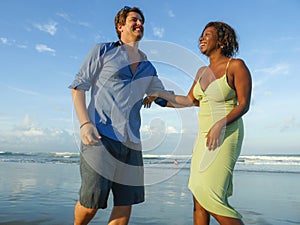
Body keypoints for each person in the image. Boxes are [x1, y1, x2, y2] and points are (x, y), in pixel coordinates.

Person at [144, 21, 252, 225]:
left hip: (225, 135)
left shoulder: (236, 66)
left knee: (212, 198)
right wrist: (159, 95)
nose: (201, 38)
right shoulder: (202, 71)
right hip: (203, 138)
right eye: (201, 35)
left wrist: (220, 124)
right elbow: (189, 100)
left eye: (207, 35)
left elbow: (244, 104)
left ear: (221, 40)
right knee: (199, 196)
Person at [69, 6, 166, 225]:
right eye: (134, 20)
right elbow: (78, 88)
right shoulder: (102, 51)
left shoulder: (148, 67)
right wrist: (85, 124)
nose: (140, 23)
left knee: (124, 205)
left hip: (131, 143)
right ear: (120, 26)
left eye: (142, 21)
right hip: (100, 138)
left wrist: (196, 99)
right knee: (90, 204)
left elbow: (163, 97)